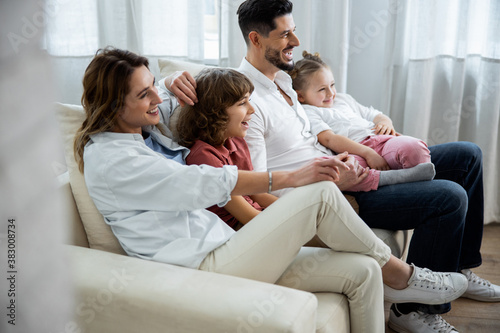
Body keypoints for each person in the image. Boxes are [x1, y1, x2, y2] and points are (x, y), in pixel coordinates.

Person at [75, 47, 468, 333]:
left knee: (364, 271)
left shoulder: (137, 130)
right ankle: (404, 276)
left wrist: (162, 81)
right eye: (144, 94)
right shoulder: (112, 160)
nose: (157, 100)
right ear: (112, 105)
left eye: (152, 90)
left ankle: (390, 275)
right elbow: (199, 183)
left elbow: (176, 103)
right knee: (319, 193)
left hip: (228, 245)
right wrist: (291, 178)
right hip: (202, 265)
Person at [222, 0, 499, 332]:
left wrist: (356, 148)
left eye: (293, 31)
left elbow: (313, 135)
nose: (295, 42)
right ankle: (411, 311)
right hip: (330, 194)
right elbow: (257, 180)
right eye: (285, 35)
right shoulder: (247, 100)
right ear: (255, 39)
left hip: (341, 167)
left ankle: (461, 266)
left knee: (467, 156)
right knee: (448, 197)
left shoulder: (284, 82)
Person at [289, 51, 436, 192]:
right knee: (339, 172)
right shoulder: (308, 111)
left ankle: (414, 180)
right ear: (300, 96)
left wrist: (386, 123)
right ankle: (392, 178)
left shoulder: (342, 99)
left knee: (414, 147)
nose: (331, 93)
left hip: (380, 141)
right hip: (356, 151)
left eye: (332, 85)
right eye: (322, 89)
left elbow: (376, 115)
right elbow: (329, 139)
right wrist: (368, 153)